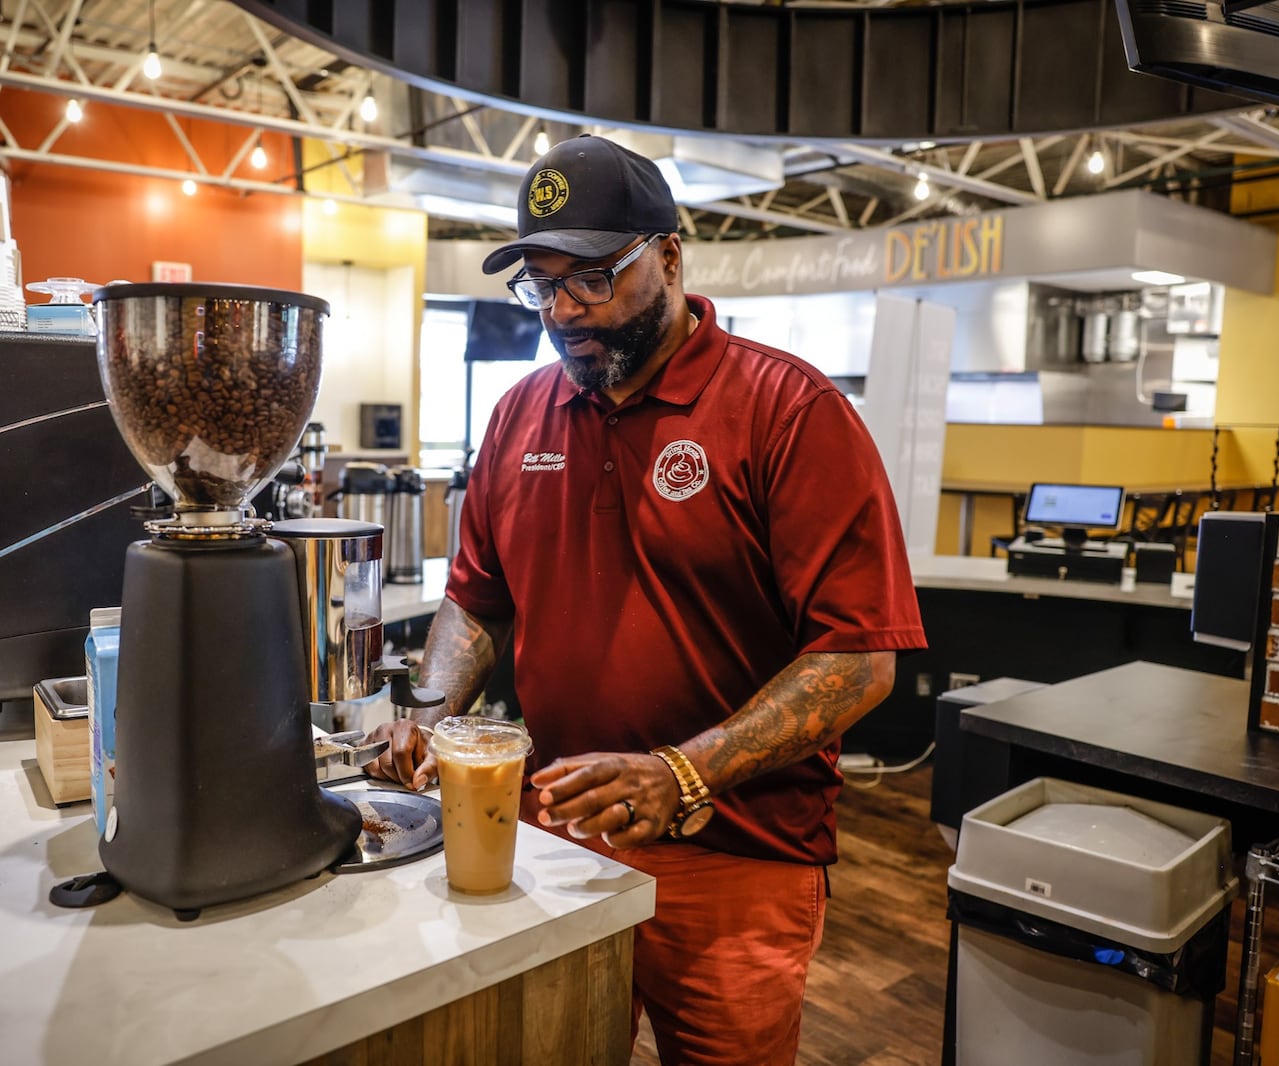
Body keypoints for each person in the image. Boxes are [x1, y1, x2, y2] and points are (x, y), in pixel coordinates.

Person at [364, 134, 927, 1065]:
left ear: (669, 254)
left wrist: (685, 772)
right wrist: (430, 709)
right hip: (551, 838)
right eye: (540, 285)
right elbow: (477, 600)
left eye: (591, 277)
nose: (564, 312)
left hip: (736, 855)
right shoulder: (518, 416)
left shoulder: (789, 413)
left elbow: (859, 657)